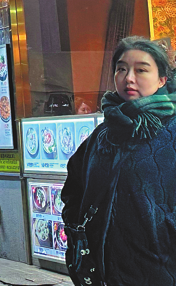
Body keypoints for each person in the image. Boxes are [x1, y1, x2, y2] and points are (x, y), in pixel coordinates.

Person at [62, 37, 176, 286]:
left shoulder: (172, 130)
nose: (129, 78)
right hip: (102, 271)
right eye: (121, 69)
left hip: (161, 270)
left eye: (141, 70)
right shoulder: (103, 134)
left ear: (162, 79)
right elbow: (74, 189)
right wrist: (76, 227)